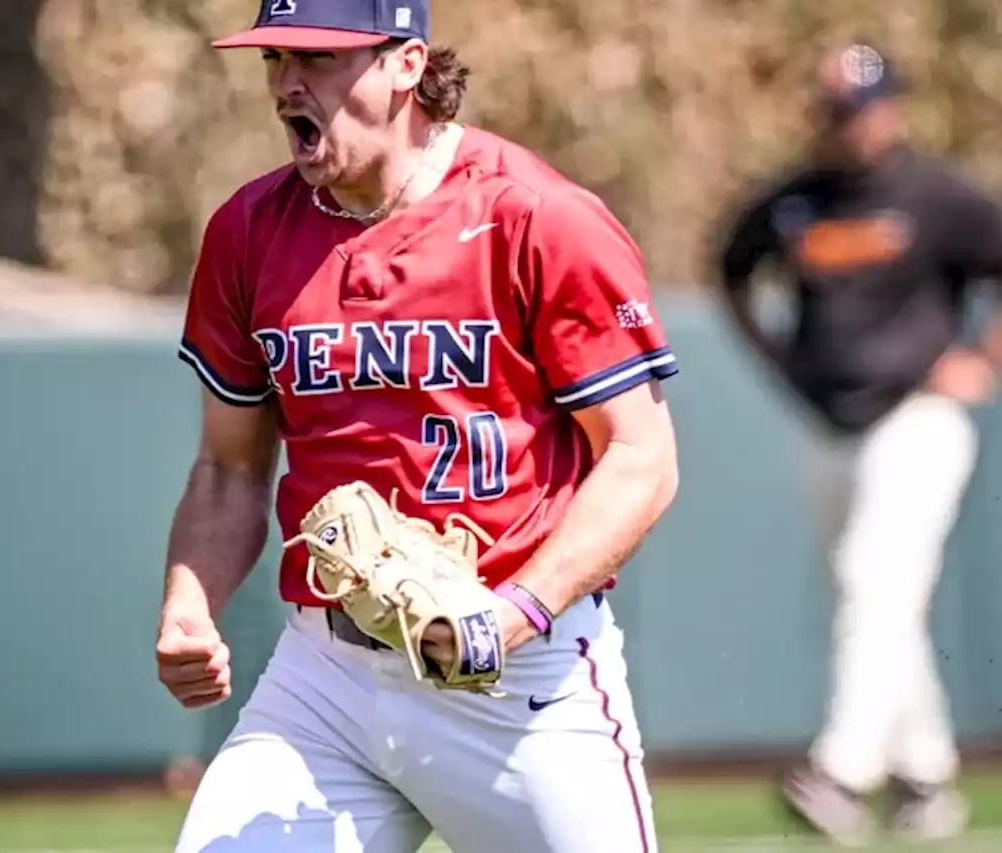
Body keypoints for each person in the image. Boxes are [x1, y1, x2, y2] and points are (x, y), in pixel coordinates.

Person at [157, 1, 681, 851]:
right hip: (326, 676)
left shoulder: (535, 215)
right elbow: (228, 469)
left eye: (320, 58)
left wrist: (507, 615)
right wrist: (190, 600)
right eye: (276, 58)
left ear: (407, 64)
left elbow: (640, 458)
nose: (289, 81)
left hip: (520, 683)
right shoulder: (247, 232)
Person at [714, 41, 1002, 847]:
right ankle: (927, 776)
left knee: (875, 582)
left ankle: (840, 770)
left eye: (868, 106)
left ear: (894, 106)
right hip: (829, 422)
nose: (856, 124)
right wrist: (780, 361)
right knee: (870, 597)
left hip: (916, 418)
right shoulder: (797, 201)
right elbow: (732, 267)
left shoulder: (936, 196)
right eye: (841, 110)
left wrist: (982, 357)